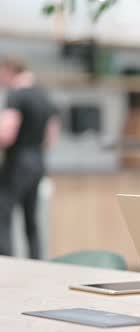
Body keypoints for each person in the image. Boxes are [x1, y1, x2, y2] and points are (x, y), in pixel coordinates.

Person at [0, 57, 59, 259]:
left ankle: (5, 262)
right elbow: (51, 136)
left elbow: (7, 133)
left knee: (3, 212)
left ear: (9, 70)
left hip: (18, 161)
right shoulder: (44, 95)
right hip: (38, 161)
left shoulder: (16, 95)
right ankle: (37, 263)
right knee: (31, 219)